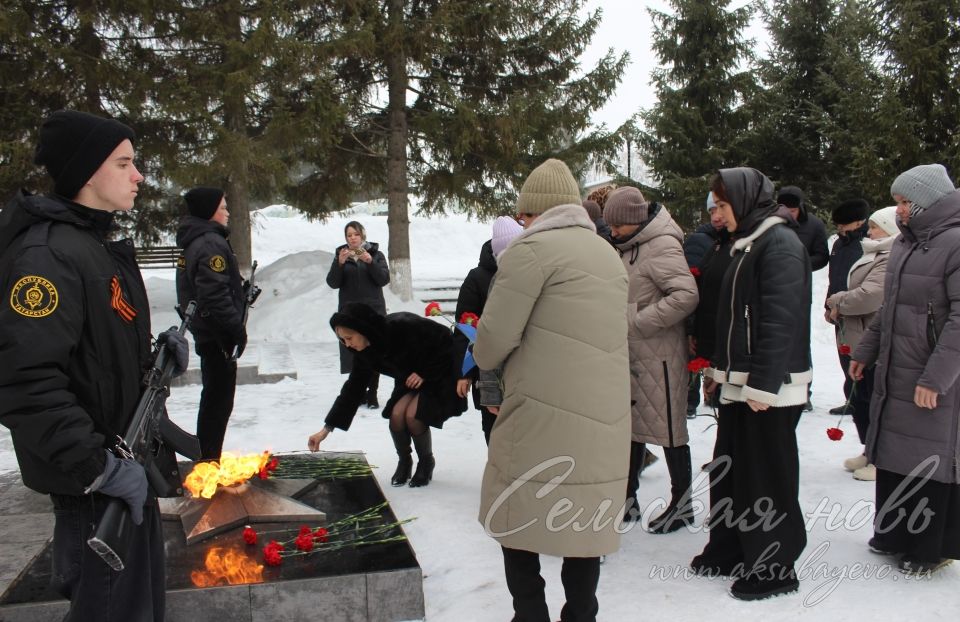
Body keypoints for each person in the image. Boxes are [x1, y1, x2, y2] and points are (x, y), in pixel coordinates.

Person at [0, 110, 175, 620]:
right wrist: (98, 467)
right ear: (86, 173)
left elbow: (94, 359)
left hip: (121, 473)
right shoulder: (48, 257)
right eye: (124, 164)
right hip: (93, 490)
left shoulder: (91, 245)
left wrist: (156, 360)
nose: (138, 175)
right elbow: (24, 380)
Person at [474, 158, 630, 622]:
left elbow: (491, 344)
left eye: (523, 215)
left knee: (516, 516)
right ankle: (581, 613)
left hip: (539, 413)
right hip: (603, 414)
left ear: (534, 212)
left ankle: (530, 615)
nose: (521, 223)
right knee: (582, 520)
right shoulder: (605, 252)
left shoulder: (530, 251)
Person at [691, 167, 811, 601]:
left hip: (768, 389)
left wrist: (763, 385)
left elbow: (781, 322)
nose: (717, 214)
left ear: (743, 201)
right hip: (740, 382)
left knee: (766, 478)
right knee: (733, 471)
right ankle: (732, 547)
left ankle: (774, 564)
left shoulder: (779, 246)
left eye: (722, 205)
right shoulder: (748, 244)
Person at [850, 163, 960, 575]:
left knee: (930, 457)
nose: (897, 211)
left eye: (902, 203)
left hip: (935, 377)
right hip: (899, 369)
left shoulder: (955, 243)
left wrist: (936, 377)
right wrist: (865, 351)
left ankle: (931, 547)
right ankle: (894, 533)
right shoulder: (906, 244)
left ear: (924, 201)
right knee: (896, 453)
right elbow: (889, 309)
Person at [604, 187, 699, 532]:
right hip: (631, 354)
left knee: (670, 430)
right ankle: (628, 501)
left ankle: (683, 502)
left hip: (659, 355)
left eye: (616, 225)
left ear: (633, 221)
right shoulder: (629, 246)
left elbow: (686, 295)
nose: (611, 231)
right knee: (631, 429)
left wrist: (636, 321)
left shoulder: (661, 245)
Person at [307, 302, 466, 487]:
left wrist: (425, 373)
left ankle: (426, 461)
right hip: (410, 381)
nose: (347, 344)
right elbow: (353, 389)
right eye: (342, 340)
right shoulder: (364, 351)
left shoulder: (403, 325)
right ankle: (404, 461)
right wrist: (326, 429)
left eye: (349, 338)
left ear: (363, 330)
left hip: (439, 374)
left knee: (413, 416)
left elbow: (446, 341)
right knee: (397, 415)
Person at [826, 206, 898, 481]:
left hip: (871, 334)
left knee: (873, 396)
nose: (870, 230)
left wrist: (836, 301)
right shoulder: (874, 251)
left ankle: (881, 457)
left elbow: (871, 295)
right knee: (860, 394)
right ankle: (870, 450)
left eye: (877, 226)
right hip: (855, 333)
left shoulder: (889, 255)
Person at [175, 186, 245, 461]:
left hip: (209, 332)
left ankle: (208, 455)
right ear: (209, 211)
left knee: (215, 396)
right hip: (216, 334)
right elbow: (213, 295)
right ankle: (207, 459)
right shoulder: (209, 243)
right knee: (218, 400)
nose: (227, 212)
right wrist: (235, 330)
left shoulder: (200, 240)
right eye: (223, 207)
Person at [453, 215, 523, 444]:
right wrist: (465, 373)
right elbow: (464, 327)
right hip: (488, 369)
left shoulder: (529, 272)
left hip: (522, 368)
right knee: (494, 433)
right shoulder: (477, 278)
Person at [326, 221, 390, 408]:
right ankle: (360, 392)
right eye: (349, 235)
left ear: (362, 235)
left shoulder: (376, 254)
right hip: (350, 312)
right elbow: (332, 282)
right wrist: (339, 264)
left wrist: (370, 262)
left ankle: (373, 394)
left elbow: (384, 279)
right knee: (354, 351)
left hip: (372, 310)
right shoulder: (341, 255)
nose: (352, 238)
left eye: (355, 234)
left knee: (373, 350)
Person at [683, 192, 727, 418]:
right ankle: (691, 402)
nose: (716, 217)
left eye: (720, 209)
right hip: (705, 322)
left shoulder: (730, 243)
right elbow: (690, 287)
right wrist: (692, 328)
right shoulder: (701, 242)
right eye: (711, 211)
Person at [824, 199, 870, 415]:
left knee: (859, 355)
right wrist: (828, 303)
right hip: (837, 310)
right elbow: (834, 276)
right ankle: (851, 398)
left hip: (857, 310)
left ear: (859, 222)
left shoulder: (868, 243)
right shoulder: (838, 244)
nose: (840, 228)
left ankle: (863, 398)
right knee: (844, 355)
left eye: (844, 224)